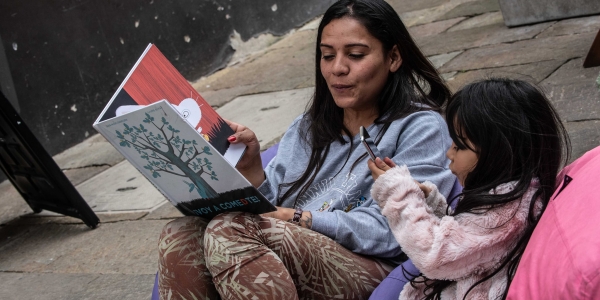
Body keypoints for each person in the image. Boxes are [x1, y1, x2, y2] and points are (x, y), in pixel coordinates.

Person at [158, 0, 456, 299]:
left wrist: (301, 218)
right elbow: (272, 207)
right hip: (291, 243)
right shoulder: (308, 127)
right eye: (327, 56)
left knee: (230, 229)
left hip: (369, 263)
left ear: (393, 58)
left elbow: (401, 228)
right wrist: (250, 171)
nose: (337, 68)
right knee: (181, 233)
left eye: (355, 55)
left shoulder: (420, 128)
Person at [368, 78, 570, 300]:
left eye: (460, 146)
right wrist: (425, 198)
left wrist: (398, 192)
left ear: (499, 152)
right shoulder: (510, 197)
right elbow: (464, 234)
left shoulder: (507, 212)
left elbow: (436, 255)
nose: (449, 154)